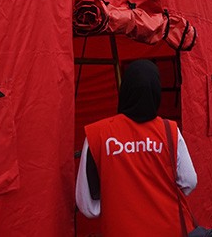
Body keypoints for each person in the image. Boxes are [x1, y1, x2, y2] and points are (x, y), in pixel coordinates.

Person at [75, 59, 198, 236]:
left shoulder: (97, 134)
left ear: (125, 90)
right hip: (168, 228)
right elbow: (189, 182)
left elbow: (87, 206)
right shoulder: (170, 131)